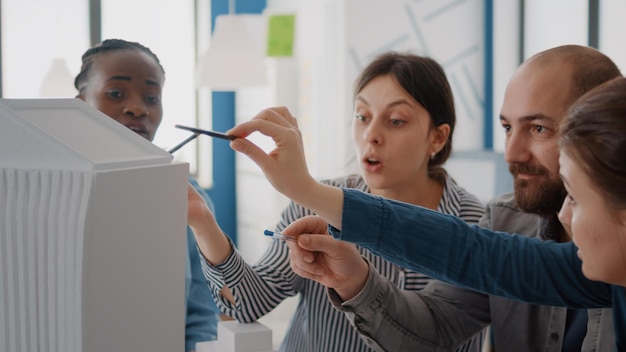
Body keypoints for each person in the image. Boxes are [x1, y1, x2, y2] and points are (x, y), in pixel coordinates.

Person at [224, 61, 626, 347]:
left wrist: (308, 191)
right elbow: (466, 265)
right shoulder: (506, 223)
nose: (510, 152)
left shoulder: (473, 216)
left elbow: (468, 252)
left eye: (538, 128)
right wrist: (352, 278)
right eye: (506, 127)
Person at [187, 52, 486, 351]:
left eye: (396, 121)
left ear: (437, 138)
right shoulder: (314, 205)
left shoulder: (476, 225)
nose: (371, 135)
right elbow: (246, 305)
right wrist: (201, 220)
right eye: (362, 116)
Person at [73, 38, 220, 352]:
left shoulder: (189, 200)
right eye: (116, 93)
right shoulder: (51, 194)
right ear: (80, 103)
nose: (138, 107)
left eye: (152, 97)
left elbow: (201, 310)